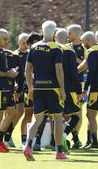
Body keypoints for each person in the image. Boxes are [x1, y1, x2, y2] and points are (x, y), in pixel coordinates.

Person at [23, 21, 68, 160]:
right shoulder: (57, 48)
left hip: (38, 87)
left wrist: (30, 87)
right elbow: (59, 69)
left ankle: (28, 146)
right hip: (53, 88)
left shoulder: (34, 47)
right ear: (54, 33)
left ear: (42, 32)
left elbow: (27, 69)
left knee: (37, 119)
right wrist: (62, 89)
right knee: (58, 119)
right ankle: (59, 152)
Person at [0, 29, 18, 152]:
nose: (6, 42)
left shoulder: (2, 52)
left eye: (7, 39)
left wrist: (11, 75)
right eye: (4, 39)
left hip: (6, 89)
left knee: (12, 113)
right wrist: (8, 74)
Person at [55, 28, 82, 153]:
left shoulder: (51, 48)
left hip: (49, 88)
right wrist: (78, 91)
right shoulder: (69, 50)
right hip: (68, 88)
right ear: (66, 38)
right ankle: (64, 137)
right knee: (75, 115)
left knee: (53, 116)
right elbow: (74, 72)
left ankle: (36, 142)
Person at [67, 24, 87, 148]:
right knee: (67, 112)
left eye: (70, 33)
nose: (68, 35)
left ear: (77, 34)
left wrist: (74, 59)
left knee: (78, 112)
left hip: (79, 82)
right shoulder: (66, 47)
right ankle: (70, 136)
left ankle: (76, 138)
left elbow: (86, 63)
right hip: (67, 83)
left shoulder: (83, 47)